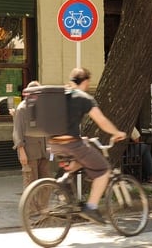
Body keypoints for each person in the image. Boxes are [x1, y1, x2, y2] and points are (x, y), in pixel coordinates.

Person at [50, 67, 126, 225]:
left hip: (54, 143)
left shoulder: (59, 94)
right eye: (88, 83)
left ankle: (64, 178)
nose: (88, 86)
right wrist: (116, 132)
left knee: (82, 155)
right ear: (84, 82)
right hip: (71, 144)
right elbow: (101, 120)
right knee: (103, 170)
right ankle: (91, 207)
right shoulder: (84, 97)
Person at [13, 81, 51, 189]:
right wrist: (21, 151)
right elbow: (17, 131)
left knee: (46, 184)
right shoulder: (22, 109)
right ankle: (31, 206)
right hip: (30, 153)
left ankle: (43, 206)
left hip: (44, 152)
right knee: (31, 184)